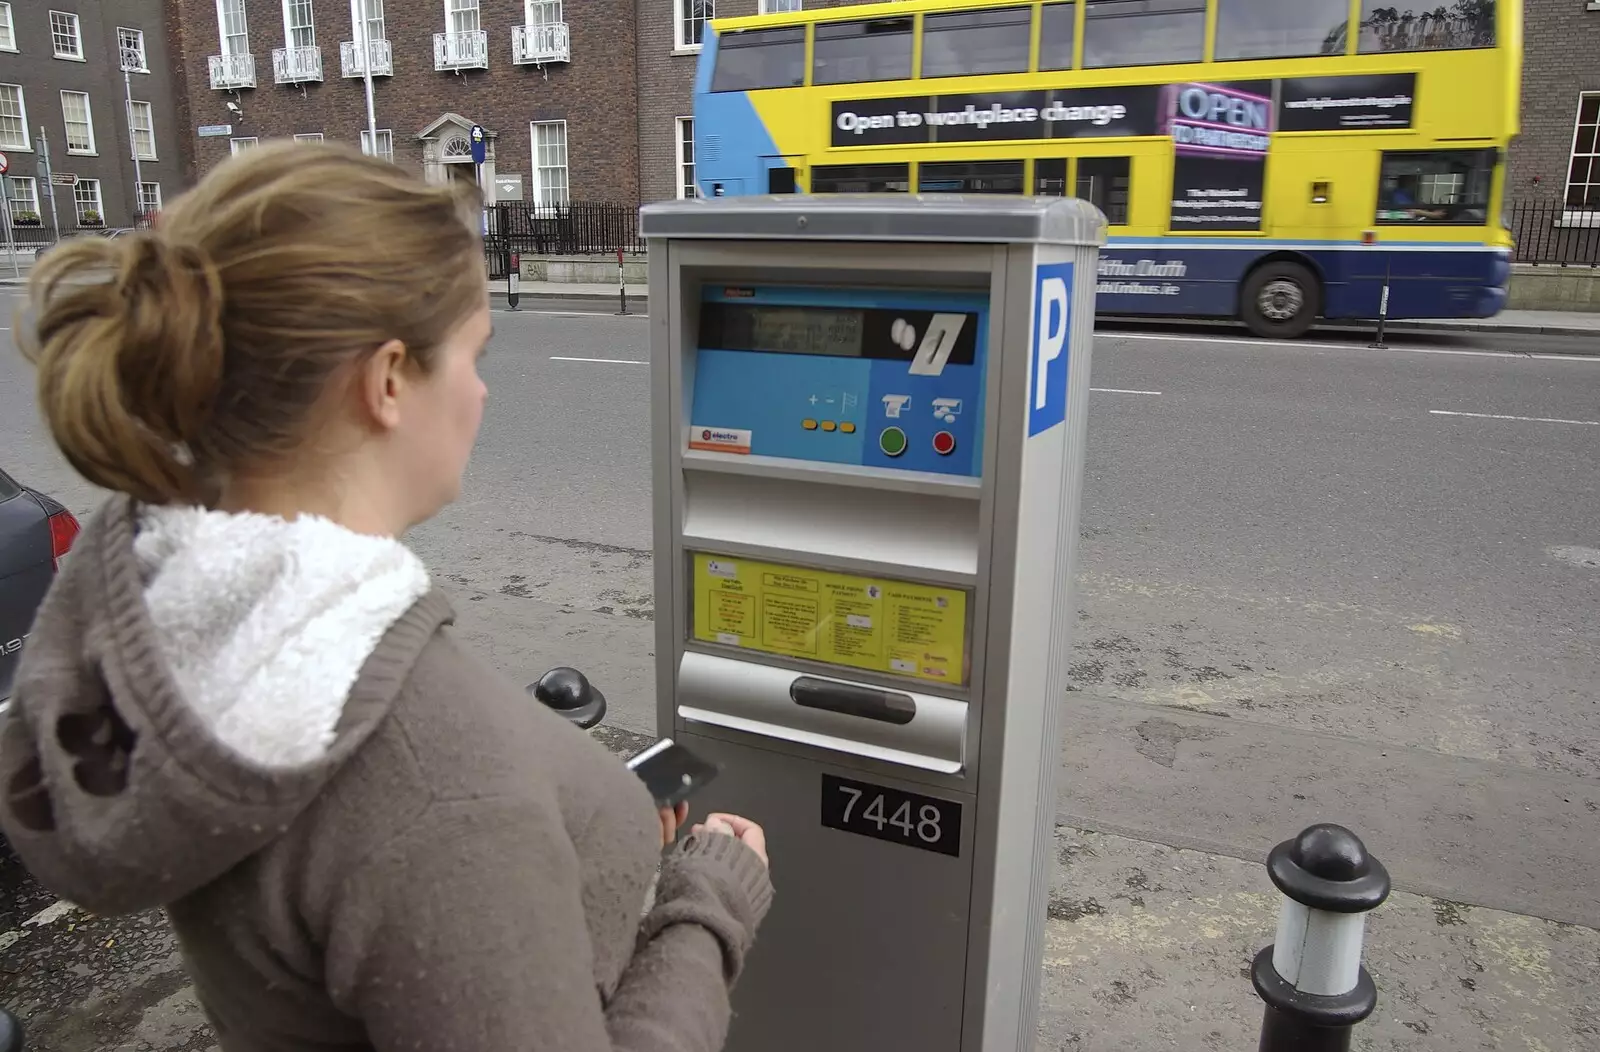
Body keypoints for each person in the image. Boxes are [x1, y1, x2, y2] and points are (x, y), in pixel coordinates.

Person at [0, 141, 773, 1051]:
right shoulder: (435, 786)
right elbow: (432, 843)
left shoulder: (187, 647)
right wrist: (706, 905)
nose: (483, 391)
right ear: (389, 380)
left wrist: (571, 834)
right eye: (475, 353)